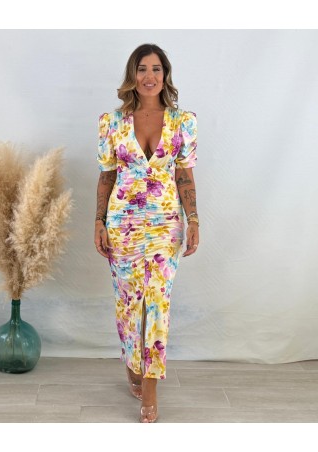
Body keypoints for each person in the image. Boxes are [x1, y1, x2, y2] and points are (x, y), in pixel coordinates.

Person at [94, 43, 199, 423]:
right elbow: (107, 176)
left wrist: (194, 220)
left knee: (157, 301)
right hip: (122, 225)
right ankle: (131, 361)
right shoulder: (111, 122)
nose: (149, 76)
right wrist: (99, 221)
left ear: (165, 75)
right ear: (132, 75)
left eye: (156, 69)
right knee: (128, 302)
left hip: (165, 224)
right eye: (142, 69)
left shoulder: (183, 121)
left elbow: (184, 174)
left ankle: (151, 385)